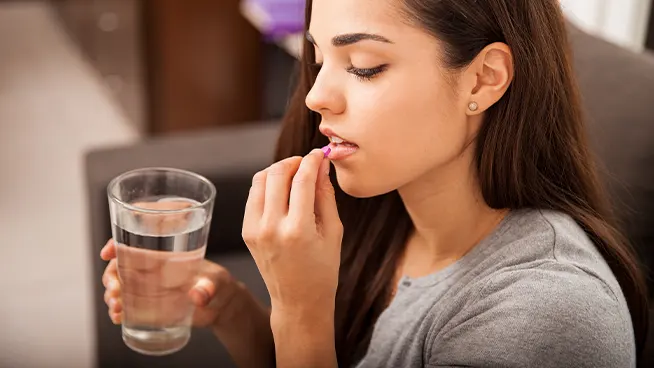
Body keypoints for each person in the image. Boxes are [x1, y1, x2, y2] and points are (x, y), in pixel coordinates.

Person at [100, 0, 649, 367]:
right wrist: (234, 310)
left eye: (363, 65)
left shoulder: (545, 318)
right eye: (317, 59)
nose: (315, 96)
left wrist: (301, 308)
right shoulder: (388, 211)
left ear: (483, 78)